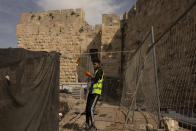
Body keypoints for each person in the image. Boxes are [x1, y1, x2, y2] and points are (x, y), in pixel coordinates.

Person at [85, 58, 104, 130]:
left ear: (98, 64)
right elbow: (94, 80)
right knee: (87, 109)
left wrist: (90, 76)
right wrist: (90, 78)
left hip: (96, 93)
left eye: (95, 64)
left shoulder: (100, 71)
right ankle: (87, 124)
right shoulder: (96, 71)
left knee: (91, 109)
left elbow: (96, 80)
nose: (94, 65)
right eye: (93, 64)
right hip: (91, 92)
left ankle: (93, 126)